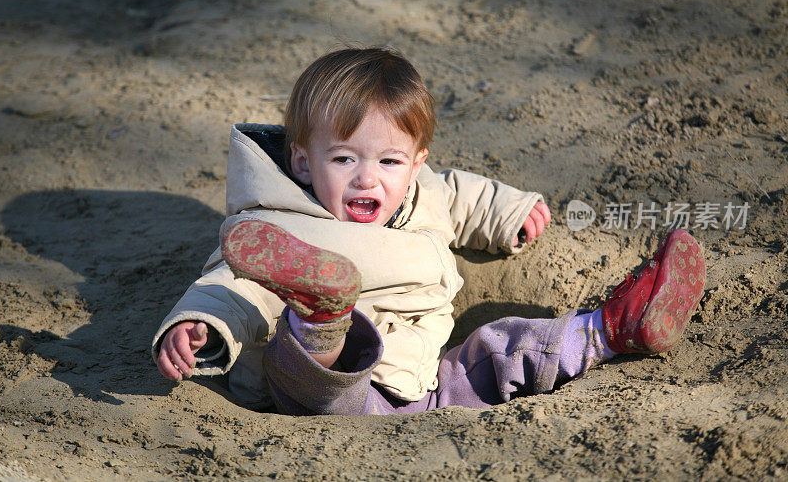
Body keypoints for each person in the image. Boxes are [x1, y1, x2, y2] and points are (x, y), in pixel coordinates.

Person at [152, 48, 706, 415]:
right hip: (318, 391)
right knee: (321, 353)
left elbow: (465, 196)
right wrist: (201, 324)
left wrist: (510, 212)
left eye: (389, 162)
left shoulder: (426, 192)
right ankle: (322, 312)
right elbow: (233, 284)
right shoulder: (275, 227)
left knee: (503, 346)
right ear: (301, 163)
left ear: (417, 163)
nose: (367, 176)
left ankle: (613, 327)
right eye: (343, 159)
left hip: (423, 386)